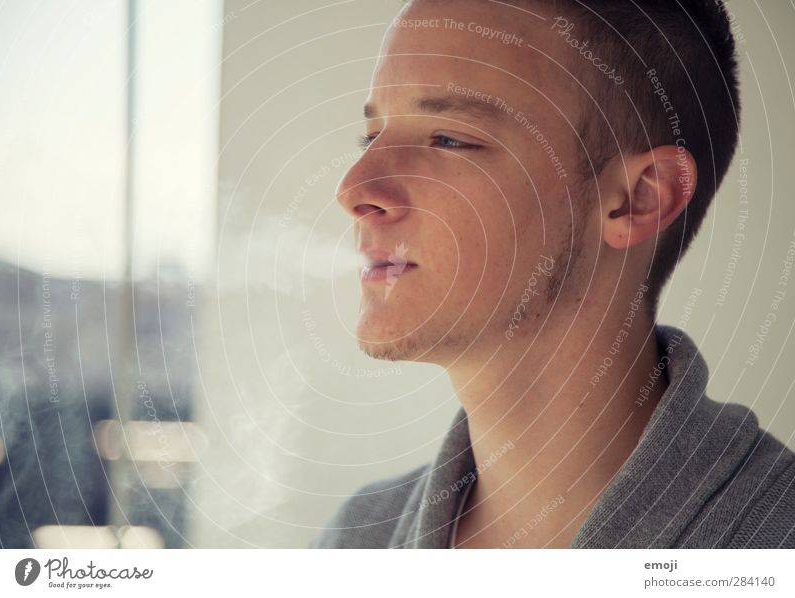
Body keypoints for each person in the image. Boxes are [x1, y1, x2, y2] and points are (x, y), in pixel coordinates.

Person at [310, 0, 795, 548]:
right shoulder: (354, 542)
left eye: (448, 138)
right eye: (371, 136)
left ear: (637, 199)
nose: (354, 189)